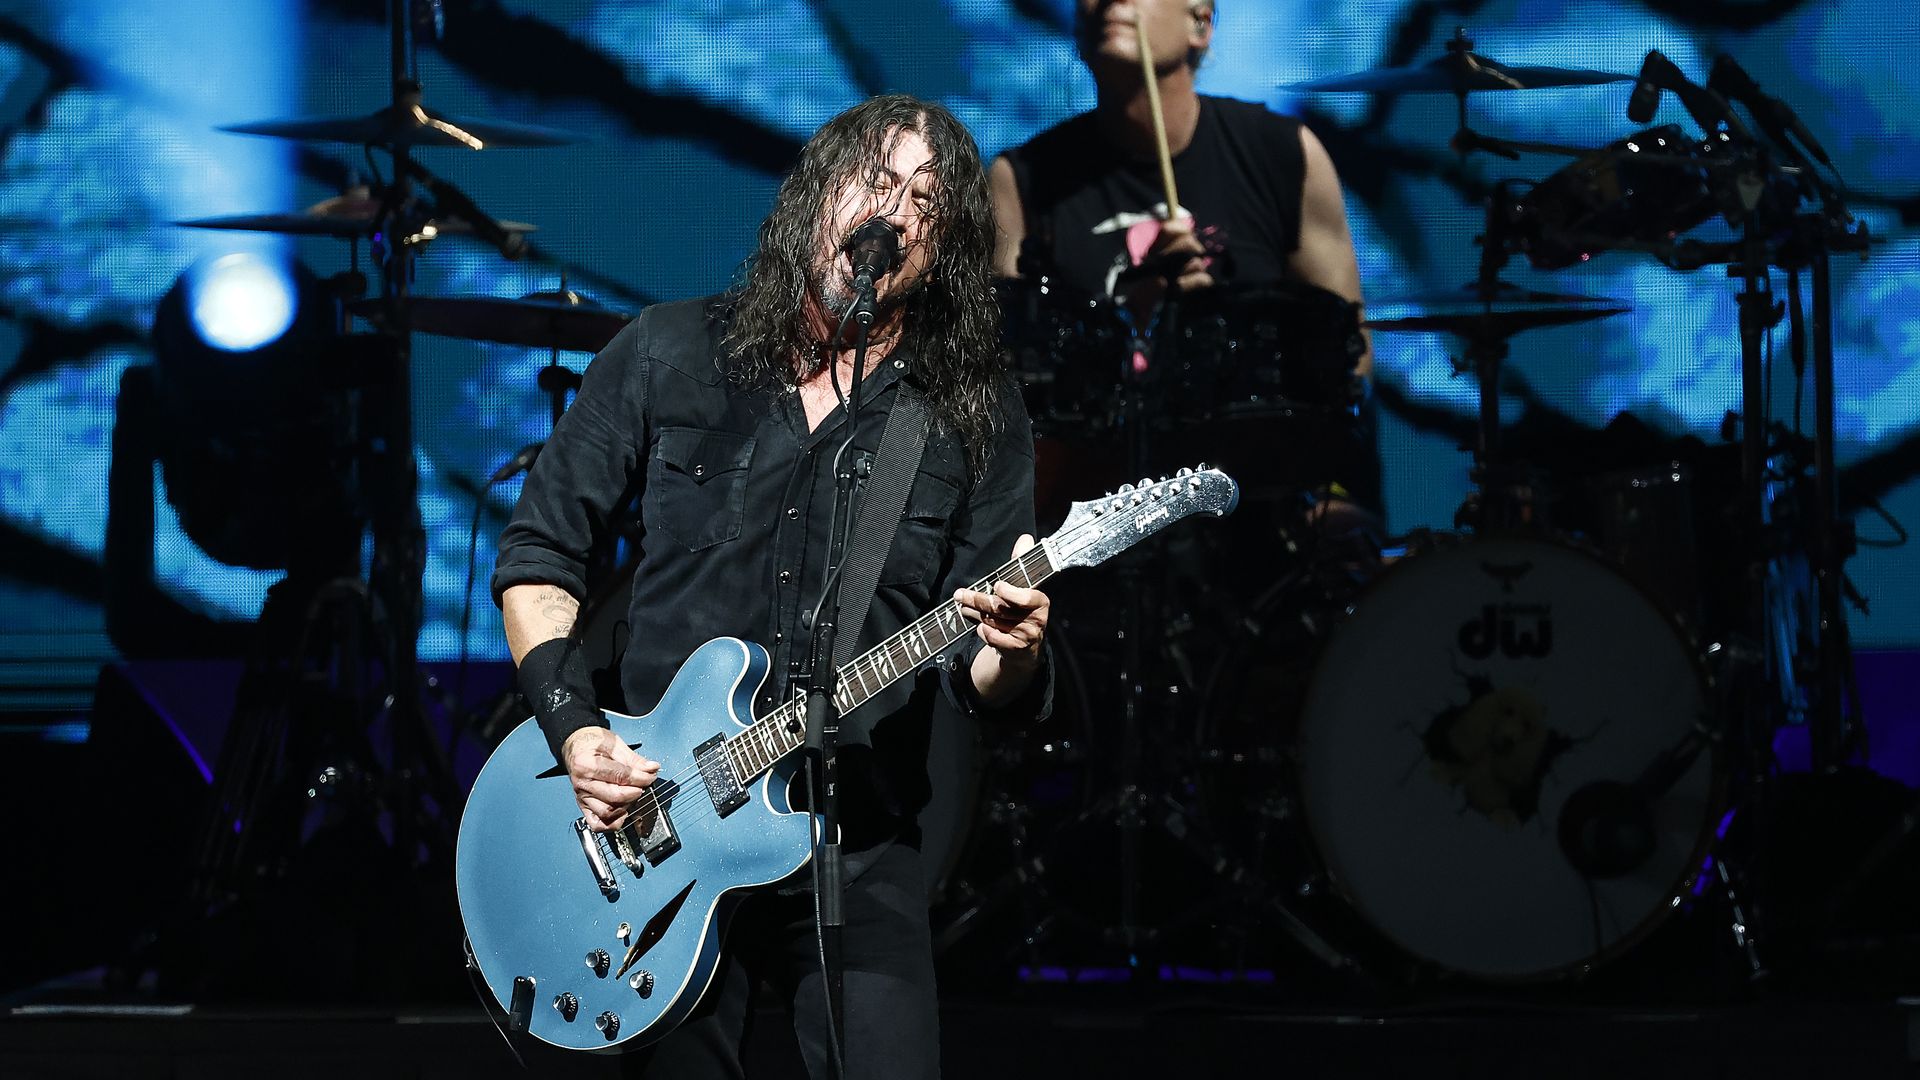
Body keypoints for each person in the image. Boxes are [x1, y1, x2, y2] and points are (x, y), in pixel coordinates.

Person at [491, 94, 1051, 1079]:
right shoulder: (667, 351)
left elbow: (977, 669)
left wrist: (1012, 653)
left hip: (856, 841)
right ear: (818, 191)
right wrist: (577, 735)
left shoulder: (971, 412)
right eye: (877, 181)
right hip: (655, 826)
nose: (895, 215)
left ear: (942, 252)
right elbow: (540, 556)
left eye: (927, 203)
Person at [990, 0, 1378, 513]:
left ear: (1201, 22)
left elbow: (1347, 353)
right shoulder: (1022, 182)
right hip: (1098, 503)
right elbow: (1000, 378)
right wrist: (1138, 320)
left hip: (1261, 493)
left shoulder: (1284, 154)